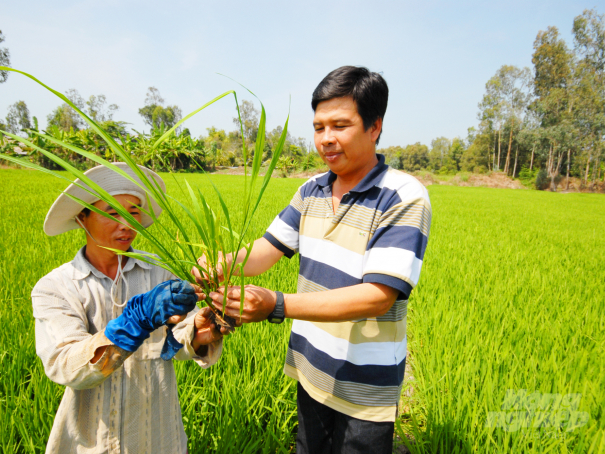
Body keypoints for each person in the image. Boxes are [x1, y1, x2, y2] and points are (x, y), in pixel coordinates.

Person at [203, 66, 432, 453]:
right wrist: (222, 265)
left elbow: (377, 296)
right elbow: (265, 250)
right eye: (319, 126)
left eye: (340, 125)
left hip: (366, 387)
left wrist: (277, 305)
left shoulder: (402, 196)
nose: (325, 139)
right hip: (311, 368)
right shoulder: (311, 189)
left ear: (374, 127)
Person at [33, 162, 226, 454]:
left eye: (134, 212)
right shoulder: (57, 287)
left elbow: (175, 341)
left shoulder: (160, 271)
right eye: (112, 213)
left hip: (159, 434)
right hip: (92, 441)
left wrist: (200, 332)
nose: (126, 224)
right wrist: (137, 320)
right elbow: (65, 366)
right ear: (82, 217)